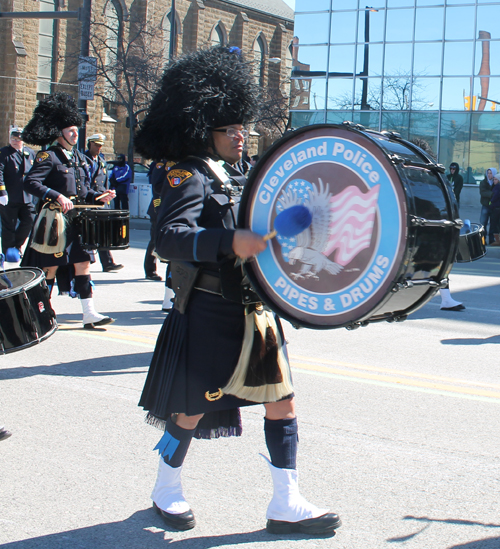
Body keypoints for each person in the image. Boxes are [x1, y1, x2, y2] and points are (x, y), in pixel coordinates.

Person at [135, 46, 341, 536]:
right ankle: (165, 487)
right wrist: (229, 241)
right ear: (202, 130)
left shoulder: (243, 176)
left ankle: (286, 502)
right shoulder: (189, 175)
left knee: (283, 402)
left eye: (241, 126)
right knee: (190, 409)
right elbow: (167, 238)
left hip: (255, 311)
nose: (239, 134)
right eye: (228, 128)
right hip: (208, 311)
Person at [21, 92, 116, 329]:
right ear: (59, 133)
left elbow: (83, 192)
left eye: (76, 130)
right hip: (54, 221)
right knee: (50, 267)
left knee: (83, 263)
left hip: (78, 221)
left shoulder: (79, 159)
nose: (76, 133)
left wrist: (99, 197)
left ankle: (89, 313)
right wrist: (56, 195)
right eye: (71, 130)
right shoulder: (49, 156)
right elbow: (31, 182)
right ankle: (44, 313)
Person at [84, 133, 124, 272]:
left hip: (101, 201)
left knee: (103, 233)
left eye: (100, 145)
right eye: (96, 145)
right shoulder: (83, 159)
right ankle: (85, 259)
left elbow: (104, 179)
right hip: (90, 200)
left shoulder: (101, 159)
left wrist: (108, 192)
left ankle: (107, 263)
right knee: (87, 233)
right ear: (90, 144)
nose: (99, 148)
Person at [0, 126, 37, 256]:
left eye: (18, 139)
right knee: (9, 226)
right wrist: (2, 193)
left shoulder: (30, 153)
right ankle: (8, 253)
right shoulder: (4, 153)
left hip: (27, 196)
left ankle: (17, 245)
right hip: (10, 196)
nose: (15, 141)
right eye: (13, 138)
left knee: (29, 220)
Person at [143, 161, 163, 281]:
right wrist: (158, 207)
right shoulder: (160, 164)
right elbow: (156, 187)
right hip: (159, 208)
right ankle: (150, 270)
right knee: (155, 239)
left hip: (170, 207)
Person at [479, 168, 497, 245]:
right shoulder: (483, 182)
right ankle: (483, 240)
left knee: (493, 224)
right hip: (485, 206)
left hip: (494, 207)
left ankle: (491, 240)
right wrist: (492, 194)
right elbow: (483, 193)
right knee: (483, 223)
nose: (489, 175)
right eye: (488, 173)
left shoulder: (496, 182)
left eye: (491, 173)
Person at [488, 174, 500, 246]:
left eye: (496, 179)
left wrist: (491, 201)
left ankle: (497, 240)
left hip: (496, 208)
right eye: (494, 179)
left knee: (494, 224)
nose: (494, 181)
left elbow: (495, 195)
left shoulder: (497, 186)